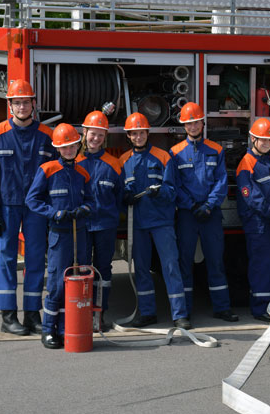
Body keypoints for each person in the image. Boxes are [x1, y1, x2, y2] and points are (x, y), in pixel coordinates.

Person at [0, 79, 57, 336]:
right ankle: (8, 316)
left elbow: (55, 175)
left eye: (26, 101)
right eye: (17, 102)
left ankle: (33, 315)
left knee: (36, 259)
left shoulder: (47, 137)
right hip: (7, 207)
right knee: (7, 259)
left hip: (36, 208)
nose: (22, 106)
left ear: (34, 104)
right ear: (10, 105)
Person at [25, 123, 94, 349]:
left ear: (77, 145)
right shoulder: (47, 169)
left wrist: (85, 209)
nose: (68, 151)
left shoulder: (83, 172)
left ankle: (67, 328)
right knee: (56, 284)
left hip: (80, 235)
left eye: (72, 146)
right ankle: (48, 330)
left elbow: (91, 200)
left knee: (77, 282)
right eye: (64, 148)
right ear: (57, 148)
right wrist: (54, 213)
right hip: (59, 236)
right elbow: (32, 200)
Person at [170, 102, 238, 323]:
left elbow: (221, 181)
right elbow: (175, 185)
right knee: (185, 261)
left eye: (195, 122)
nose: (192, 126)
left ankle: (222, 307)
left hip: (210, 213)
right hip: (188, 215)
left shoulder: (216, 150)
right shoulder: (176, 153)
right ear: (184, 126)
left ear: (202, 123)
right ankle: (185, 310)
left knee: (216, 261)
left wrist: (208, 205)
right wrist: (191, 205)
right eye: (188, 123)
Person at [120, 112, 189, 329]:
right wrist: (125, 198)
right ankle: (148, 312)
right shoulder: (123, 161)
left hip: (162, 222)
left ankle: (180, 315)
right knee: (141, 268)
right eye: (134, 134)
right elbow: (119, 193)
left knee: (170, 267)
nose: (138, 137)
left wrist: (160, 193)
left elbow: (172, 190)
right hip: (138, 223)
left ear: (147, 133)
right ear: (129, 136)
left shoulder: (164, 157)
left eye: (141, 132)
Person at [76, 110, 123, 330]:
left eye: (101, 135)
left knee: (103, 269)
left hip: (105, 225)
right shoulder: (74, 161)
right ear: (84, 133)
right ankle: (83, 312)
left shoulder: (113, 164)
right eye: (92, 134)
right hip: (83, 225)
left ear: (106, 137)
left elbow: (120, 196)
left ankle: (99, 313)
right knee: (83, 269)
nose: (96, 139)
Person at [236, 118, 270, 322]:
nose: (266, 143)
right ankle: (259, 308)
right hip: (258, 223)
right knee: (261, 264)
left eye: (269, 140)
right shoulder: (246, 164)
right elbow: (252, 197)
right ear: (253, 139)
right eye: (262, 140)